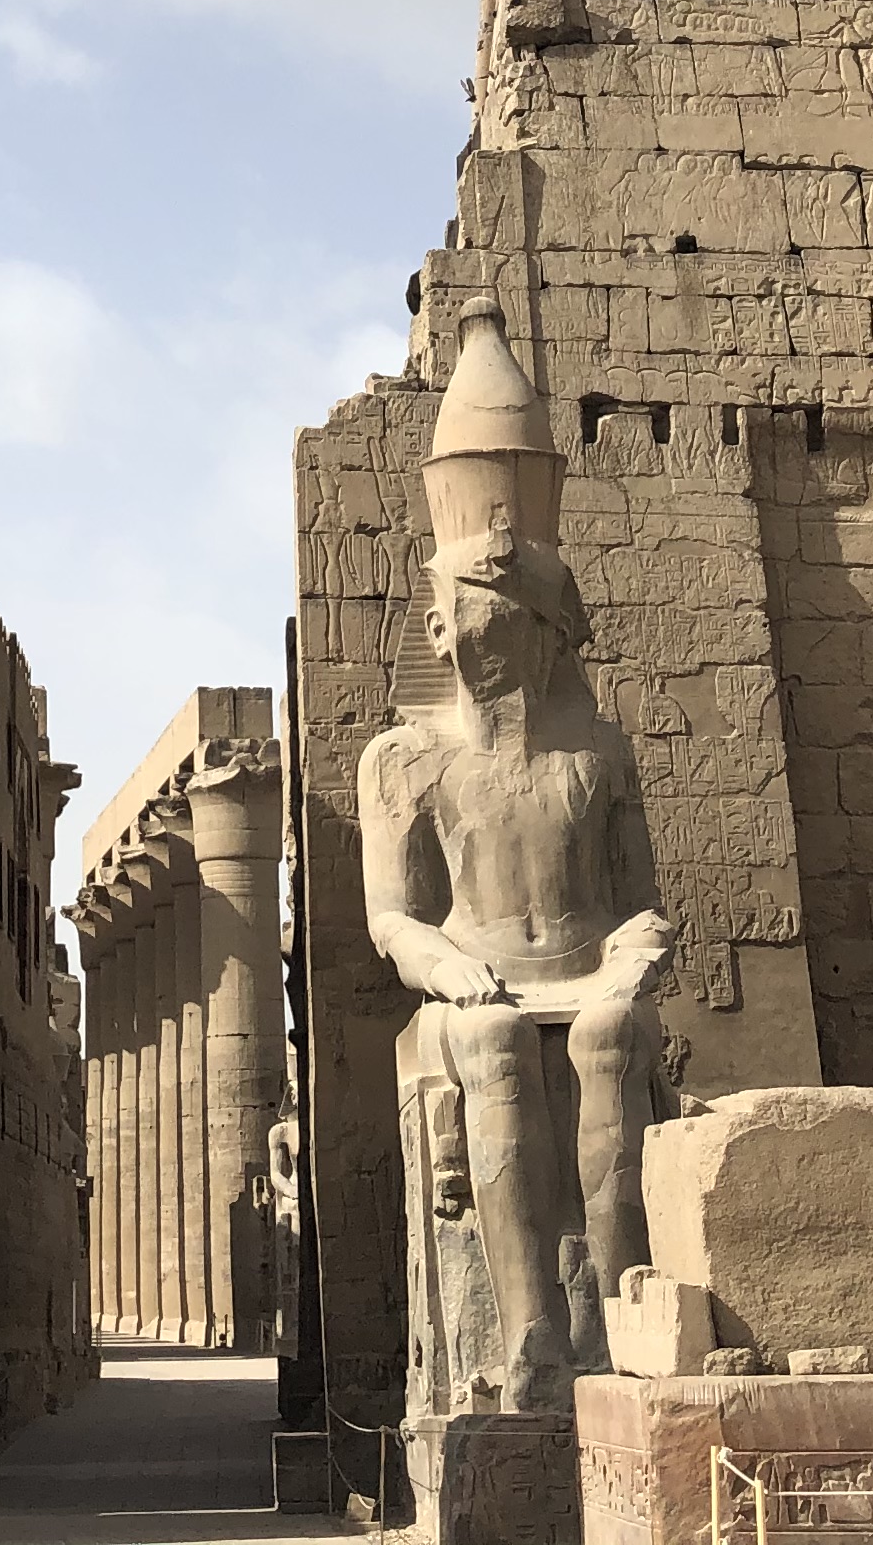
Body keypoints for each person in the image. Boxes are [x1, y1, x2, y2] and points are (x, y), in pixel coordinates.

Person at [361, 303, 673, 1417]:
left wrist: (636, 954)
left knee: (606, 1036)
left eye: (513, 605)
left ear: (552, 626)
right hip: (477, 976)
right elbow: (393, 920)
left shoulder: (600, 751)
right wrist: (452, 971)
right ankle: (535, 1326)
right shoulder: (406, 758)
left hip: (587, 969)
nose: (491, 626)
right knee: (493, 1042)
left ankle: (616, 1307)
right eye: (472, 604)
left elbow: (640, 905)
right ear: (439, 623)